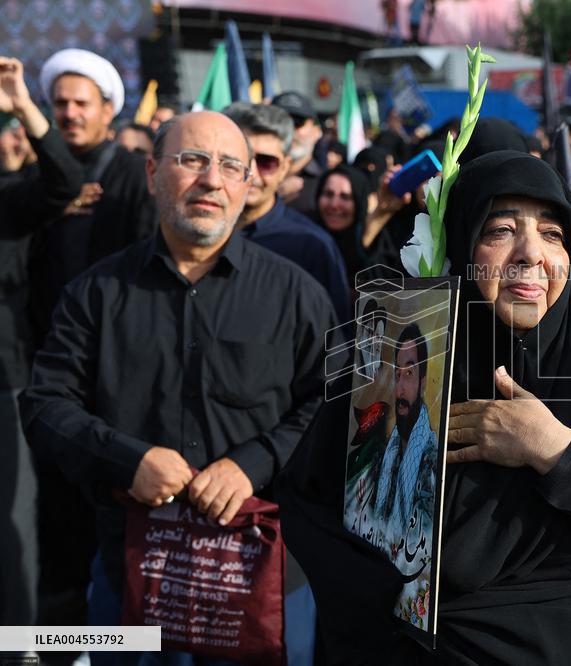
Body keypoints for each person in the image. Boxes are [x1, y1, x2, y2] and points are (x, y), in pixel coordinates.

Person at [276, 149, 571, 664]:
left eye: (552, 234)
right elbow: (312, 505)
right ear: (460, 246)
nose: (530, 253)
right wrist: (398, 612)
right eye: (500, 230)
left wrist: (558, 451)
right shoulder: (399, 363)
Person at [19, 111, 334, 665]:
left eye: (230, 166)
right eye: (192, 160)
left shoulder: (297, 296)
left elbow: (334, 406)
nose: (211, 179)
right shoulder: (95, 294)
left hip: (260, 583)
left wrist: (254, 463)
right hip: (130, 582)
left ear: (248, 183)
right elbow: (44, 406)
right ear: (152, 173)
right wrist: (128, 461)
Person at [31, 47, 157, 629]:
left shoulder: (133, 176)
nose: (70, 113)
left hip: (116, 382)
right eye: (60, 103)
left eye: (81, 103)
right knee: (56, 527)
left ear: (109, 109)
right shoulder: (38, 179)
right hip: (50, 374)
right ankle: (52, 642)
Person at [0, 55, 83, 629]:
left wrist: (21, 103)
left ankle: (22, 642)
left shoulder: (9, 200)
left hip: (5, 386)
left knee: (12, 523)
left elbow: (64, 182)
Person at [224, 102, 352, 323]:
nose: (251, 173)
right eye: (241, 159)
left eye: (266, 162)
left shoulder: (312, 246)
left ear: (285, 167)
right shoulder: (198, 231)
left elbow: (334, 335)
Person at [370, 323, 438, 529]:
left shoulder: (432, 461)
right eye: (397, 375)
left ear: (423, 383)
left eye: (409, 373)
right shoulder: (385, 457)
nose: (400, 389)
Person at [272, 91, 325, 219]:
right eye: (280, 123)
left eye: (297, 122)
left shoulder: (328, 185)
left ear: (317, 131)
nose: (289, 131)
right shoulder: (249, 177)